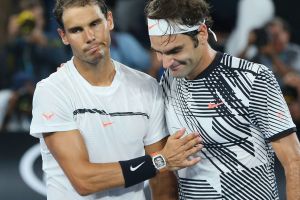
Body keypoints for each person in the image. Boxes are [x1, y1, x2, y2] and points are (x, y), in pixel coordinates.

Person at [30, 0, 203, 199]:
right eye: (77, 30)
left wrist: (161, 162)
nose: (90, 37)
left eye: (95, 23)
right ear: (64, 37)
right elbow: (84, 180)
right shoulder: (52, 91)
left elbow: (163, 181)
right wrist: (159, 160)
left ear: (110, 20)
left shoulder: (146, 87)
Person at [145, 0, 300, 199]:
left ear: (201, 33)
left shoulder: (253, 78)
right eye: (158, 51)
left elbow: (293, 160)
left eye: (175, 50)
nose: (165, 63)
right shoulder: (167, 82)